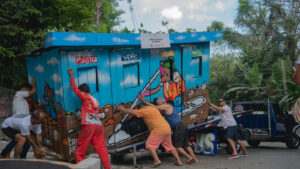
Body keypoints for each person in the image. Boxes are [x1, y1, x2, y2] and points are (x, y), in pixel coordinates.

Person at [67, 68, 111, 169]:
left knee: (81, 146)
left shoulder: (85, 97)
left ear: (83, 91)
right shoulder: (95, 100)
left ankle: (81, 165)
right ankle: (107, 166)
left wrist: (72, 76)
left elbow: (74, 89)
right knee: (101, 147)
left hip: (89, 125)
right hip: (98, 125)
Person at [116, 102, 183, 168]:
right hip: (167, 128)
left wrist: (122, 109)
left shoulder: (143, 111)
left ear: (140, 107)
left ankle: (157, 161)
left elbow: (132, 112)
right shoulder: (152, 108)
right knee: (169, 146)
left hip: (158, 130)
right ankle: (179, 161)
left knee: (149, 145)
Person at [141, 97, 198, 164]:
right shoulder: (169, 107)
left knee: (177, 146)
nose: (159, 105)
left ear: (162, 102)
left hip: (178, 127)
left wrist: (145, 102)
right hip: (182, 125)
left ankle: (189, 157)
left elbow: (155, 107)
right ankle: (194, 159)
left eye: (159, 104)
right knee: (186, 145)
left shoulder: (166, 106)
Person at [0, 77, 36, 158]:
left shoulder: (22, 99)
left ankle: (5, 154)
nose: (28, 92)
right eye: (27, 90)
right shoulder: (19, 93)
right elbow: (33, 91)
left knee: (19, 140)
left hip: (21, 122)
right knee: (23, 140)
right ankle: (14, 156)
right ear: (24, 88)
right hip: (19, 122)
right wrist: (34, 83)